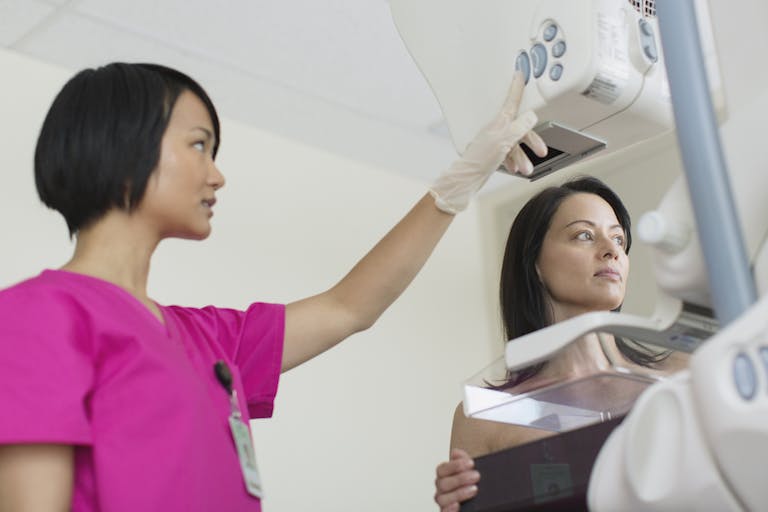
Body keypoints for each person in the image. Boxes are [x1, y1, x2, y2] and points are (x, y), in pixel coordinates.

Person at [0, 63, 545, 512]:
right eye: (198, 145)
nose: (217, 175)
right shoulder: (37, 317)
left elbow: (348, 306)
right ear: (122, 147)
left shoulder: (207, 338)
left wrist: (457, 185)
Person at [432, 176, 688, 512]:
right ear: (535, 264)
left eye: (618, 239)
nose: (612, 251)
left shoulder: (681, 375)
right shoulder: (483, 416)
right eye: (584, 235)